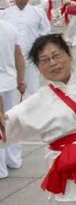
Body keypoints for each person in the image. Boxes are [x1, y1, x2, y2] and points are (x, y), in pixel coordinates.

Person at [0, 34, 76, 204]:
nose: (53, 63)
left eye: (56, 55)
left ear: (68, 54)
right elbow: (7, 126)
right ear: (38, 68)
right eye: (44, 60)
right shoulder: (37, 101)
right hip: (70, 170)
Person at [0, 0, 51, 94]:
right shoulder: (4, 14)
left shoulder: (38, 12)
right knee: (11, 92)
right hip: (10, 60)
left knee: (32, 90)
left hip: (31, 57)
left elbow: (46, 33)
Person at [0, 20, 24, 179]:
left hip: (5, 81)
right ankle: (14, 160)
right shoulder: (10, 26)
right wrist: (21, 79)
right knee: (10, 122)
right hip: (8, 81)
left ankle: (1, 169)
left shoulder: (10, 26)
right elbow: (18, 55)